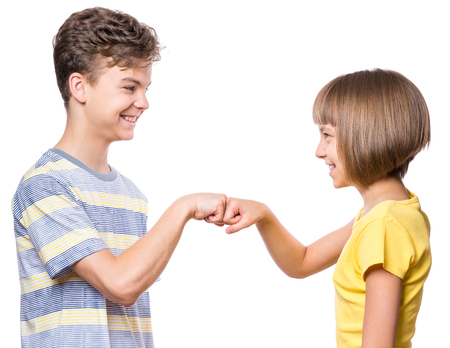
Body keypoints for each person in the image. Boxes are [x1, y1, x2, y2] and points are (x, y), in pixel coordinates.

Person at [11, 7, 227, 348]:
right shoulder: (44, 186)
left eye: (145, 88)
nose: (143, 102)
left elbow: (131, 298)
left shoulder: (131, 194)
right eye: (130, 87)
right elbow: (121, 285)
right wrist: (183, 208)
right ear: (80, 87)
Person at [223, 69, 431, 348]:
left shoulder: (383, 226)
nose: (319, 151)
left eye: (327, 136)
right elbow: (303, 262)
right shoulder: (389, 214)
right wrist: (263, 215)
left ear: (364, 136)